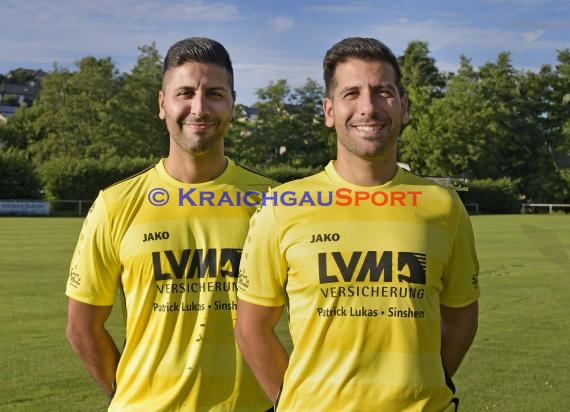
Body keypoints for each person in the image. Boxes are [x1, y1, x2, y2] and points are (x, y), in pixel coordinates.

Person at [235, 37, 479, 412]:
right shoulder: (283, 205)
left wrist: (423, 387)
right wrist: (290, 402)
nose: (368, 107)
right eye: (352, 93)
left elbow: (461, 317)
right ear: (330, 111)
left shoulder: (443, 205)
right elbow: (252, 327)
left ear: (403, 107)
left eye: (383, 92)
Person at [66, 37, 274, 411]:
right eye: (185, 93)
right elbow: (82, 327)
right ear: (163, 104)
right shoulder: (116, 204)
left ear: (232, 103)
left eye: (214, 94)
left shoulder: (273, 203)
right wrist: (128, 396)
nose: (199, 107)